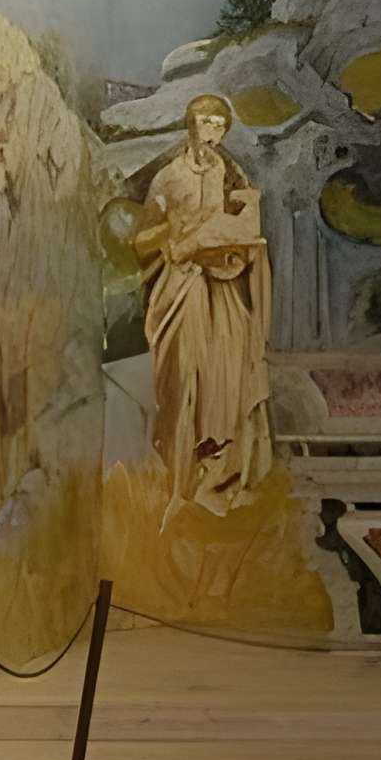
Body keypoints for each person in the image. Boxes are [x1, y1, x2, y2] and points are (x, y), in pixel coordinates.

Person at [138, 93, 276, 516]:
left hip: (223, 286)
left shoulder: (232, 177)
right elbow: (141, 241)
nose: (212, 130)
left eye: (219, 123)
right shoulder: (168, 179)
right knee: (185, 381)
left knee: (229, 380)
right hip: (183, 288)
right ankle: (182, 479)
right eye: (205, 121)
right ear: (190, 125)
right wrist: (175, 236)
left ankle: (221, 476)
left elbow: (245, 230)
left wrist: (238, 244)